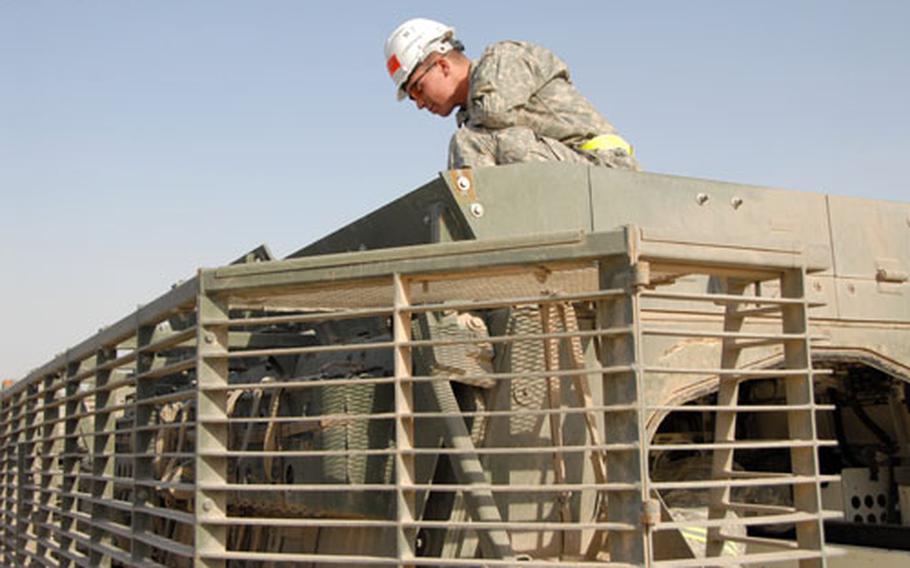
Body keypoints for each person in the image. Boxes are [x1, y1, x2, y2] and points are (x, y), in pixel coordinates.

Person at [384, 18, 639, 171]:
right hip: (576, 175)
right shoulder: (471, 114)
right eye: (411, 96)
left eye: (418, 87)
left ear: (442, 65)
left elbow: (495, 113)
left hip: (605, 170)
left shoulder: (502, 59)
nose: (418, 103)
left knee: (469, 142)